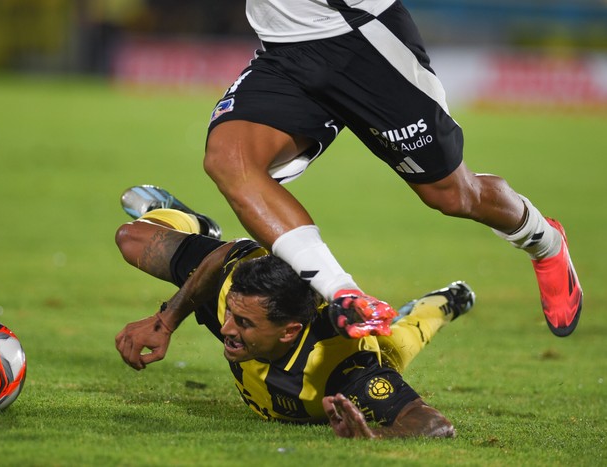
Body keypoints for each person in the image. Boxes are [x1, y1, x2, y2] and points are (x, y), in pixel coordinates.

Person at [165, 0, 582, 337]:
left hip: (364, 41)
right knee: (229, 159)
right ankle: (344, 293)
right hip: (285, 54)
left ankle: (544, 241)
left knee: (453, 194)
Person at [114, 188, 476, 438]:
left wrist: (375, 437)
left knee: (405, 336)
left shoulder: (343, 372)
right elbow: (230, 255)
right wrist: (166, 320)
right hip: (257, 281)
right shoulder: (237, 296)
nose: (225, 329)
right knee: (131, 237)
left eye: (242, 323)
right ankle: (196, 224)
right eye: (230, 316)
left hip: (362, 338)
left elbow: (433, 424)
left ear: (289, 331)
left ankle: (447, 300)